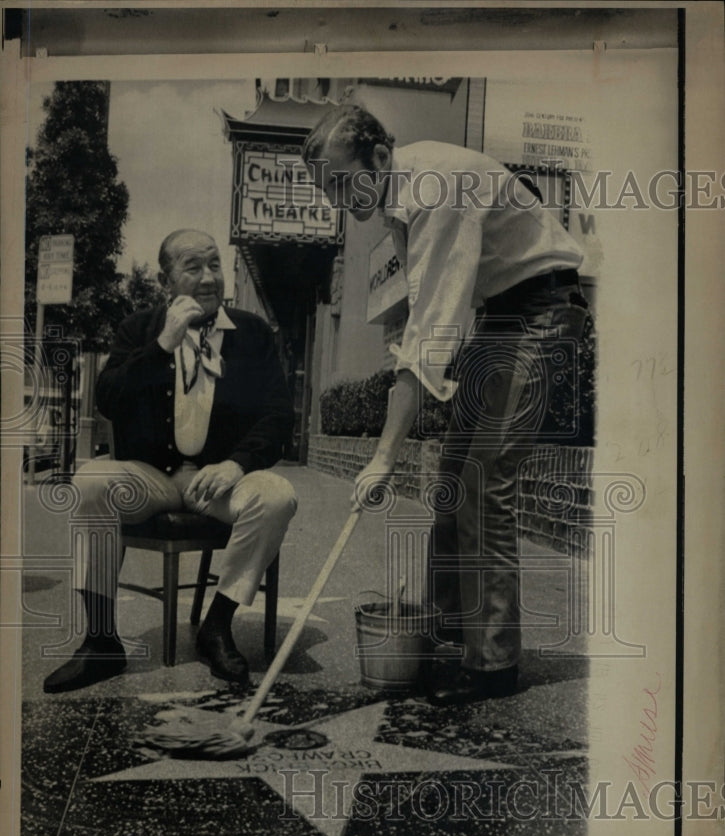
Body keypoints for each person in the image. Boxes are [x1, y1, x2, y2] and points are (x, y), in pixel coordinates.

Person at [303, 105, 592, 706]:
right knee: (450, 482)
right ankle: (446, 640)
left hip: (542, 311)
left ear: (379, 157)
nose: (334, 198)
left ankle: (491, 666)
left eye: (338, 180)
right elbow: (424, 324)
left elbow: (429, 336)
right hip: (499, 317)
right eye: (324, 187)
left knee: (485, 485)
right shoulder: (395, 195)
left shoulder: (434, 188)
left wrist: (382, 456)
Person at [43, 229, 297, 693]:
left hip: (218, 481)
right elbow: (109, 399)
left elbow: (279, 416)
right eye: (192, 267)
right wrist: (162, 346)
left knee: (278, 495)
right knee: (91, 481)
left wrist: (237, 464)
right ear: (166, 282)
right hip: (151, 478)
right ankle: (101, 642)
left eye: (215, 265)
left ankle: (217, 626)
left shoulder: (253, 334)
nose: (207, 278)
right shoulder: (138, 329)